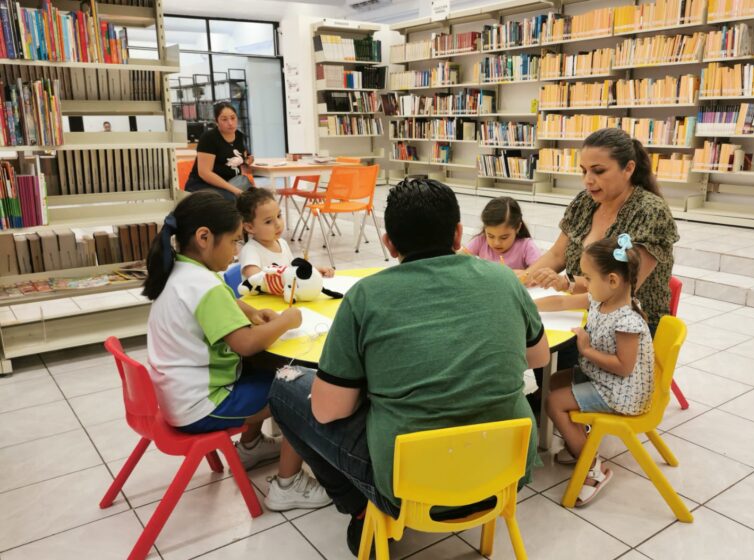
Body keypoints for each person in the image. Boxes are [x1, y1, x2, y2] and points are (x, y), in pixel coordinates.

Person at [267, 178, 551, 556]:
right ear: (458, 234)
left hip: (407, 484)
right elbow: (539, 357)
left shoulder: (367, 295)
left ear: (389, 242)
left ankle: (358, 507)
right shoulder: (503, 280)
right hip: (505, 472)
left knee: (286, 387)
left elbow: (327, 410)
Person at [142, 191, 332, 512]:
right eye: (233, 242)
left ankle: (251, 446)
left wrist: (247, 311)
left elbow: (223, 303)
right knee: (305, 391)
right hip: (204, 405)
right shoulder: (205, 287)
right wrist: (286, 321)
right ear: (204, 238)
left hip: (178, 396)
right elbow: (245, 343)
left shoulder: (181, 272)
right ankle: (287, 485)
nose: (234, 253)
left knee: (268, 371)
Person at [535, 234, 654, 506]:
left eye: (587, 278)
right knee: (555, 380)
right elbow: (562, 302)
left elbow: (624, 368)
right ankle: (579, 439)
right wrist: (528, 306)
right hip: (605, 379)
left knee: (554, 401)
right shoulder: (602, 300)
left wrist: (586, 350)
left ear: (612, 280)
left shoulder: (625, 319)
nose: (583, 284)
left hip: (621, 393)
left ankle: (593, 469)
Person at [524, 128, 679, 335]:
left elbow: (620, 293)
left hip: (630, 325)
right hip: (580, 310)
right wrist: (521, 281)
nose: (587, 180)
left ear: (628, 169)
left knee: (537, 344)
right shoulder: (585, 201)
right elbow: (557, 254)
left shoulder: (650, 212)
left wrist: (555, 301)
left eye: (598, 171)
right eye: (584, 171)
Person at [236, 187, 334, 280]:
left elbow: (293, 271)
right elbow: (255, 279)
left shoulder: (282, 243)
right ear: (250, 227)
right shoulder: (250, 250)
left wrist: (313, 271)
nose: (278, 224)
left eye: (279, 216)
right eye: (268, 221)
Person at [185, 102, 254, 201]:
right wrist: (236, 191)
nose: (230, 123)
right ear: (216, 121)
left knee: (257, 198)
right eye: (224, 119)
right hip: (202, 185)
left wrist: (247, 161)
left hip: (232, 183)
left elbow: (243, 157)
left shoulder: (240, 136)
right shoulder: (209, 138)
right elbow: (205, 173)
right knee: (231, 199)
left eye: (233, 118)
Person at [462, 196, 541, 273]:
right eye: (490, 236)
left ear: (518, 227)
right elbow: (459, 259)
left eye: (504, 237)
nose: (496, 243)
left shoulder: (526, 247)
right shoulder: (481, 240)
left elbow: (540, 272)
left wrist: (526, 273)